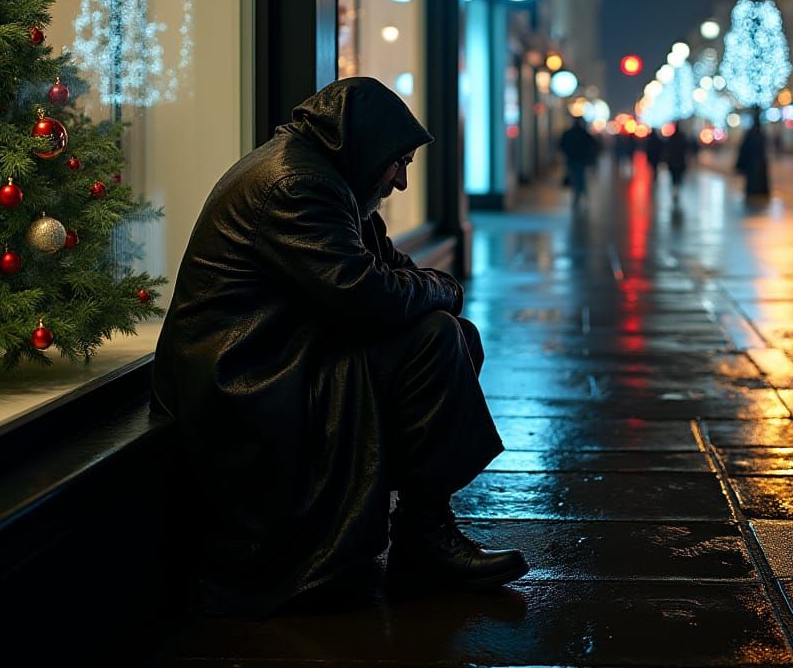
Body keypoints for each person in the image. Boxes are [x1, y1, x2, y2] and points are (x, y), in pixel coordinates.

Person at [151, 78, 527, 618]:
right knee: (438, 338)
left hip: (285, 353)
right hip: (245, 376)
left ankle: (425, 525)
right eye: (397, 162)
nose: (400, 181)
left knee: (451, 337)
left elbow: (387, 270)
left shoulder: (330, 178)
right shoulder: (296, 183)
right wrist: (441, 288)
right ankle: (425, 536)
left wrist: (431, 290)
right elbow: (366, 294)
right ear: (368, 144)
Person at [559, 116, 599, 205]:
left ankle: (577, 195)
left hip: (572, 159)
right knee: (580, 177)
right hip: (581, 160)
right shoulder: (584, 133)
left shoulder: (568, 133)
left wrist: (568, 153)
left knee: (574, 177)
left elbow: (561, 144)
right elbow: (593, 144)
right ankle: (581, 195)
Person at [735, 119, 769, 199]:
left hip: (753, 162)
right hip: (757, 162)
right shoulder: (760, 134)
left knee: (754, 179)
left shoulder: (752, 133)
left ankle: (755, 191)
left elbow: (744, 149)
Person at [663, 122, 689, 207]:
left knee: (674, 177)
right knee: (678, 177)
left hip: (673, 162)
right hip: (680, 162)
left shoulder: (671, 138)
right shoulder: (682, 137)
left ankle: (675, 190)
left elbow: (667, 150)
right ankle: (677, 190)